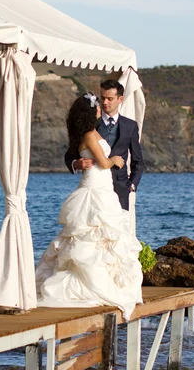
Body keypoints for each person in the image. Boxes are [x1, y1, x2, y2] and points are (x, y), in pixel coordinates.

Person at [36, 92, 143, 320]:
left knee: (104, 239)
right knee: (91, 237)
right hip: (95, 189)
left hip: (107, 189)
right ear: (91, 111)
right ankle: (89, 285)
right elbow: (102, 162)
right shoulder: (89, 134)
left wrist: (131, 183)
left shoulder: (103, 130)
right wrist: (112, 160)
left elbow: (137, 159)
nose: (102, 106)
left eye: (107, 100)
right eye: (98, 103)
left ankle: (105, 281)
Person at [64, 80, 144, 210]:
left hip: (121, 189)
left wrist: (131, 186)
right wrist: (76, 164)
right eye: (103, 98)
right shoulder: (89, 124)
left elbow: (138, 160)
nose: (105, 102)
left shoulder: (131, 126)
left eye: (110, 99)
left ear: (120, 99)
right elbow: (69, 154)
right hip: (96, 187)